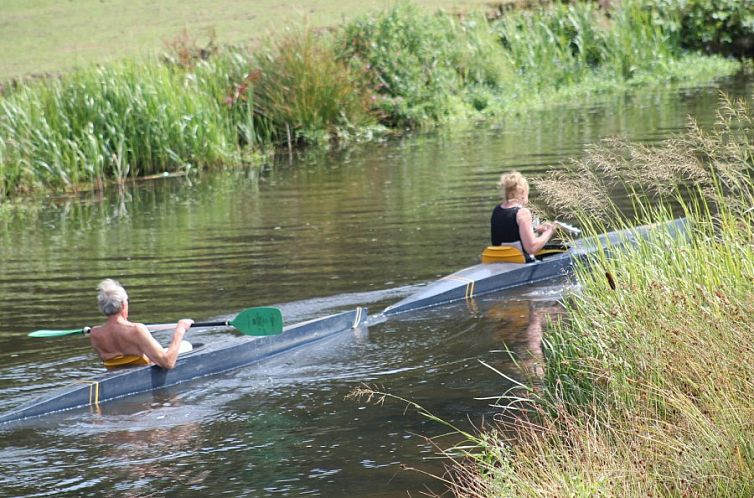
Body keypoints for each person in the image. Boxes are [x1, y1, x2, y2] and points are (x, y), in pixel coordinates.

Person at [89, 279, 193, 369]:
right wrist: (180, 329)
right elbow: (168, 363)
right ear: (124, 304)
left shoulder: (95, 333)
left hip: (117, 373)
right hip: (143, 373)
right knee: (186, 345)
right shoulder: (136, 330)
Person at [490, 171, 557, 262]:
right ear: (522, 192)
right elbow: (532, 248)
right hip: (521, 264)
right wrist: (549, 232)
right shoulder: (523, 213)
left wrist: (535, 229)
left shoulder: (497, 210)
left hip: (498, 262)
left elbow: (509, 234)